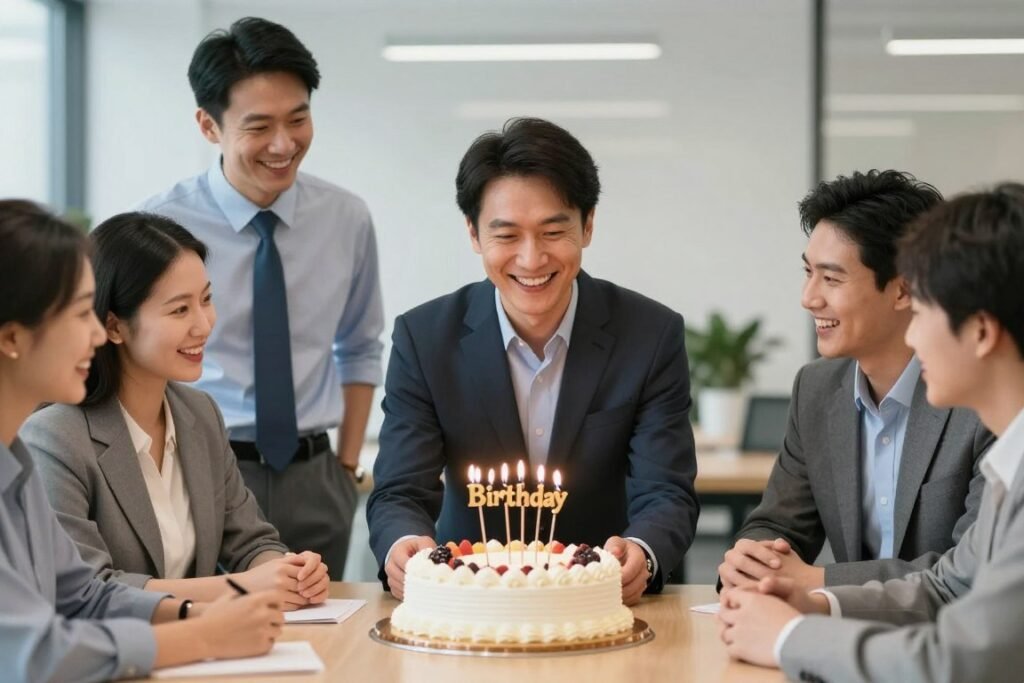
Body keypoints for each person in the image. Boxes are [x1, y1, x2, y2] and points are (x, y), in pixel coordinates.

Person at [366, 117, 699, 604]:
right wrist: (403, 547)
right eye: (506, 235)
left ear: (587, 225)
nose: (531, 258)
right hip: (469, 598)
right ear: (474, 234)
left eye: (552, 231)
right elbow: (400, 490)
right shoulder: (426, 338)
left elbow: (665, 490)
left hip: (599, 597)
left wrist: (643, 552)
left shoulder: (649, 335)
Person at [719, 183, 1024, 682]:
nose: (915, 335)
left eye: (924, 313)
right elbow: (947, 586)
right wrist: (816, 603)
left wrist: (790, 636)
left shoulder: (999, 440)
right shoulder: (1011, 460)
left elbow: (961, 661)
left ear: (982, 331)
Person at [139, 17, 384, 579]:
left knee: (326, 621)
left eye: (298, 119)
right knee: (210, 621)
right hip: (200, 466)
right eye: (259, 126)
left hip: (317, 475)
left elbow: (360, 346)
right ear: (209, 125)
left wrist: (346, 467)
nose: (284, 144)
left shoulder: (345, 218)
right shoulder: (159, 226)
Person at [0, 200, 285, 682]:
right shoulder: (48, 440)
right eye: (80, 314)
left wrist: (200, 615)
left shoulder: (15, 460)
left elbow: (83, 596)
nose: (97, 334)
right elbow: (34, 655)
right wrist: (204, 635)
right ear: (12, 338)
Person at [21, 212, 329, 608]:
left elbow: (251, 542)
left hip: (201, 641)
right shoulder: (54, 438)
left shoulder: (200, 413)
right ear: (113, 327)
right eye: (180, 310)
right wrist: (241, 587)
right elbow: (83, 590)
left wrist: (290, 572)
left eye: (206, 300)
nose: (204, 325)